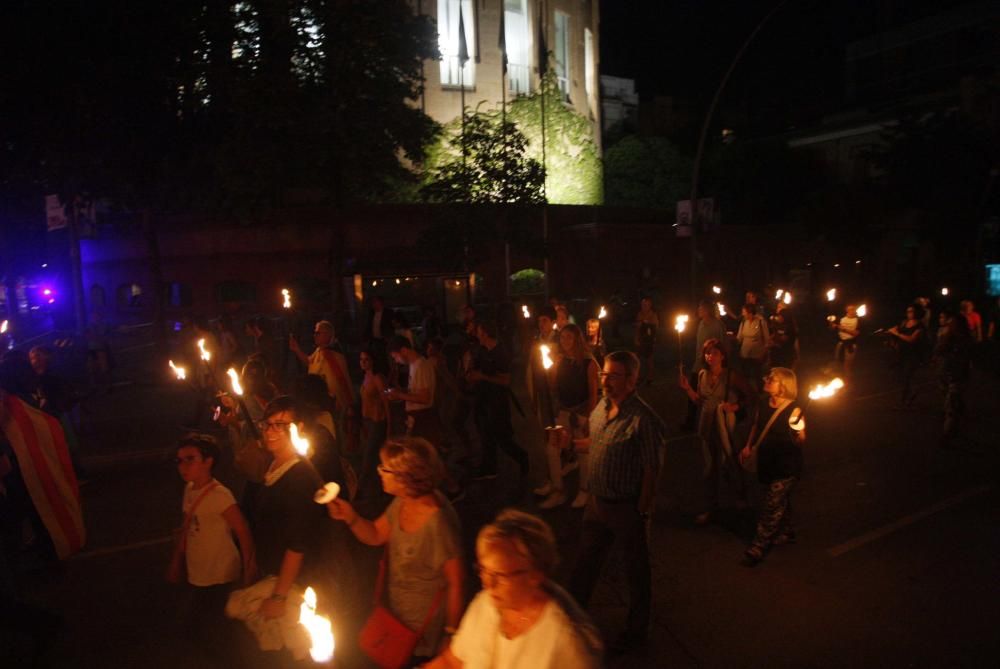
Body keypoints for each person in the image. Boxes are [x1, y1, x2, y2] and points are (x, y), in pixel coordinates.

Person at [326, 437, 464, 664]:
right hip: (395, 616)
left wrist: (451, 633)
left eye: (385, 468)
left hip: (423, 631)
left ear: (406, 477)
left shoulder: (439, 524)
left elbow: (456, 582)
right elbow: (376, 535)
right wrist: (350, 517)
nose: (378, 471)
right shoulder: (403, 501)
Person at [569, 350, 666, 652]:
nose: (605, 380)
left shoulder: (644, 420)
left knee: (636, 572)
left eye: (613, 375)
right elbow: (595, 443)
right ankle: (569, 622)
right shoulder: (601, 407)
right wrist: (570, 443)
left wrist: (642, 509)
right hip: (597, 504)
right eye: (604, 374)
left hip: (625, 507)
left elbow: (653, 468)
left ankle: (636, 633)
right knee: (585, 565)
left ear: (632, 380)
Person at [423, 510, 602, 669]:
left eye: (500, 575)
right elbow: (453, 661)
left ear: (535, 575)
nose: (487, 584)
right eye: (484, 570)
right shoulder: (485, 603)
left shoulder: (566, 642)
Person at [167, 433, 256, 667]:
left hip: (220, 572)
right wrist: (178, 560)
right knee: (210, 624)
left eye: (190, 459)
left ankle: (236, 660)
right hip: (199, 570)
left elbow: (242, 530)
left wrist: (249, 566)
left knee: (209, 625)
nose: (183, 466)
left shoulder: (220, 496)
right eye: (179, 460)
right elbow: (189, 527)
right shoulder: (189, 489)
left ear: (208, 462)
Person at [245, 397, 327, 621]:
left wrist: (279, 597)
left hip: (294, 583)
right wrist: (253, 561)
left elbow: (297, 542)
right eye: (268, 424)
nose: (270, 431)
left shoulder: (300, 478)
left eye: (280, 425)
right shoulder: (274, 463)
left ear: (299, 428)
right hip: (271, 571)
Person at [679, 339, 754, 525]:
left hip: (725, 427)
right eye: (707, 353)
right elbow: (700, 401)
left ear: (723, 356)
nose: (710, 356)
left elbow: (751, 396)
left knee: (731, 460)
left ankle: (740, 497)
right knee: (709, 467)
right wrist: (687, 389)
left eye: (714, 353)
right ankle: (711, 507)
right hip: (706, 426)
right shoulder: (703, 374)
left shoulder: (731, 376)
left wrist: (735, 405)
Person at [738, 368, 805, 567]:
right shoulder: (763, 402)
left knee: (771, 503)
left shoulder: (795, 409)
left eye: (771, 379)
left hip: (786, 465)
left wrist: (797, 432)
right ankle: (788, 530)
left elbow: (801, 440)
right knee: (778, 499)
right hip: (767, 461)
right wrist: (748, 446)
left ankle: (759, 545)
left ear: (783, 386)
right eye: (767, 377)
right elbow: (756, 426)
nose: (766, 380)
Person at [535, 324, 599, 509]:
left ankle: (585, 490)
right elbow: (554, 386)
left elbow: (593, 393)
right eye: (562, 338)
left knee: (582, 452)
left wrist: (590, 418)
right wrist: (550, 369)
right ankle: (558, 490)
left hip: (580, 413)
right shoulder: (560, 359)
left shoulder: (589, 362)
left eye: (569, 337)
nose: (565, 341)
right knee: (552, 448)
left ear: (577, 339)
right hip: (563, 411)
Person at [466, 321, 529, 481]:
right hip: (483, 400)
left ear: (485, 333)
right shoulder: (481, 350)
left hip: (497, 402)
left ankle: (523, 458)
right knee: (486, 437)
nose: (477, 335)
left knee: (502, 438)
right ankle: (489, 468)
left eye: (479, 332)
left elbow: (506, 381)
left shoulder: (500, 352)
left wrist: (483, 376)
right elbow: (475, 369)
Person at [289, 320, 354, 422]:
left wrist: (349, 404)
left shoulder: (333, 354)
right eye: (315, 332)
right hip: (318, 401)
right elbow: (309, 362)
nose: (314, 335)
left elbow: (342, 379)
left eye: (318, 333)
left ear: (328, 335)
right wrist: (296, 349)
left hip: (332, 403)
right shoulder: (319, 350)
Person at [387, 336, 444, 450]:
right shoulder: (414, 366)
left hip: (423, 419)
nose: (396, 360)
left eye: (395, 356)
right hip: (417, 419)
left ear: (403, 350)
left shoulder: (421, 366)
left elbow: (424, 398)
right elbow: (417, 392)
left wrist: (399, 395)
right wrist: (400, 392)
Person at [934, 309, 973, 448]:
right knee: (952, 403)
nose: (950, 327)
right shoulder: (948, 339)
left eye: (952, 324)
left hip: (958, 377)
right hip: (948, 375)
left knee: (951, 406)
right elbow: (938, 352)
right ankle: (957, 425)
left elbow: (966, 360)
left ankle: (947, 435)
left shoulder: (964, 341)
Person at [357, 348, 391, 498]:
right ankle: (381, 488)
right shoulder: (365, 376)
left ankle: (360, 489)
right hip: (368, 420)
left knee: (369, 455)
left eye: (366, 360)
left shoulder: (378, 378)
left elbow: (386, 402)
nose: (363, 363)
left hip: (378, 421)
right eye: (361, 360)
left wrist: (389, 425)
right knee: (374, 455)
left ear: (373, 361)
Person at [887, 304, 926, 407]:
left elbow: (911, 339)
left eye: (912, 311)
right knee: (900, 375)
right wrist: (892, 333)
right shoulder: (904, 322)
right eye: (908, 311)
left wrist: (897, 334)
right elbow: (895, 330)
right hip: (902, 353)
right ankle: (910, 393)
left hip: (913, 354)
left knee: (907, 376)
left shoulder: (920, 326)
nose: (909, 314)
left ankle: (904, 400)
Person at [736, 303, 769, 391]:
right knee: (745, 375)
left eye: (744, 312)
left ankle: (760, 392)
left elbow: (767, 339)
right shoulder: (743, 322)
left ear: (750, 313)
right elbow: (739, 337)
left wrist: (764, 353)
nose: (743, 314)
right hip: (745, 354)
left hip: (757, 355)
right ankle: (747, 392)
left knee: (757, 375)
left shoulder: (761, 322)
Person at [831, 304, 860, 381]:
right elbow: (833, 327)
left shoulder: (858, 320)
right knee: (838, 362)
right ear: (847, 310)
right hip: (840, 343)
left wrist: (844, 329)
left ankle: (848, 381)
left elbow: (856, 333)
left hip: (850, 344)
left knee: (847, 365)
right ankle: (839, 380)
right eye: (851, 309)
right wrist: (832, 324)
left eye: (854, 309)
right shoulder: (842, 319)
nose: (853, 311)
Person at [634, 297, 659, 385]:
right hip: (641, 340)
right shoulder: (640, 314)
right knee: (638, 360)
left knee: (649, 359)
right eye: (643, 305)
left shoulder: (653, 315)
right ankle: (639, 377)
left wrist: (646, 323)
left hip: (649, 341)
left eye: (646, 305)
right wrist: (636, 338)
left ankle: (650, 377)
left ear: (650, 305)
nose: (644, 306)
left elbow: (654, 328)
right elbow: (637, 327)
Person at [768, 303, 799, 370]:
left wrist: (774, 343)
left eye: (780, 316)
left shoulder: (790, 328)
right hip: (776, 355)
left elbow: (784, 339)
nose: (779, 317)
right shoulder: (778, 325)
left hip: (785, 355)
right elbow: (775, 334)